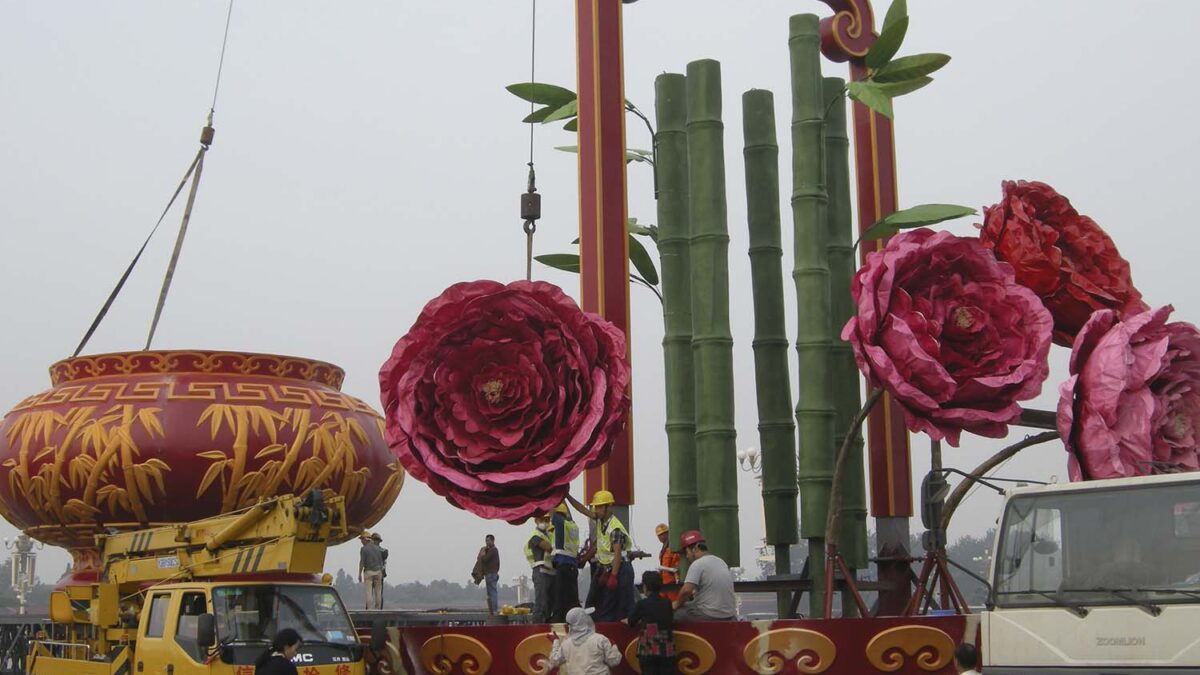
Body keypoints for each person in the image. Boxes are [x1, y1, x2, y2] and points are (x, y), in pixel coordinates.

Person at [569, 491, 642, 622]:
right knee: (595, 601)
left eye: (599, 507)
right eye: (595, 507)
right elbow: (582, 510)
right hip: (606, 568)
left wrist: (613, 576)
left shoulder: (615, 528)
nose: (596, 510)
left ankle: (616, 630)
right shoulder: (600, 521)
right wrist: (567, 496)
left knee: (621, 604)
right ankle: (600, 626)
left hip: (620, 568)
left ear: (608, 507)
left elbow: (618, 554)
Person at [671, 530, 736, 622]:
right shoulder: (721, 561)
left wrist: (677, 603)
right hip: (729, 614)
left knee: (672, 613)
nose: (687, 556)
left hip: (708, 614)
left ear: (695, 549)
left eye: (687, 552)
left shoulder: (697, 564)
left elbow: (686, 590)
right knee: (689, 605)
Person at [624, 571, 676, 675]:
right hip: (666, 648)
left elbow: (631, 622)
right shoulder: (667, 603)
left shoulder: (642, 604)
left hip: (648, 648)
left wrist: (626, 620)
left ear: (645, 587)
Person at [547, 607, 622, 675]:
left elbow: (555, 661)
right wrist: (613, 646)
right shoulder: (600, 639)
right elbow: (614, 661)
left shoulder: (566, 644)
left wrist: (555, 641)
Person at [551, 501, 582, 622]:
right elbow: (569, 515)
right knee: (572, 599)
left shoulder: (560, 522)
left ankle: (558, 622)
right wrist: (563, 497)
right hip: (573, 567)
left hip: (563, 566)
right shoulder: (572, 525)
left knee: (560, 599)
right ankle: (574, 621)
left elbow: (552, 510)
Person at [527, 513, 557, 623]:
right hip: (540, 572)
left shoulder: (549, 534)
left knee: (550, 603)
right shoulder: (536, 536)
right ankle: (536, 626)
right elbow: (548, 548)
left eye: (547, 519)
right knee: (541, 602)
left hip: (550, 572)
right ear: (536, 520)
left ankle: (546, 624)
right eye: (542, 519)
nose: (545, 522)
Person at [358, 531, 385, 610]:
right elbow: (381, 561)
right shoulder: (378, 548)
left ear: (366, 539)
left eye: (362, 539)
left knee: (368, 593)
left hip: (368, 572)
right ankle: (378, 609)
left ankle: (369, 609)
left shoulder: (363, 549)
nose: (361, 541)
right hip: (378, 572)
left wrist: (359, 574)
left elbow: (362, 562)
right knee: (378, 592)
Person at [654, 523, 680, 601]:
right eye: (659, 535)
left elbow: (679, 563)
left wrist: (675, 569)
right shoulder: (663, 550)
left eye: (663, 533)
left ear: (668, 533)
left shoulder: (674, 548)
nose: (661, 536)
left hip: (672, 583)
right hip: (663, 582)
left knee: (674, 604)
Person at [477, 534, 500, 615]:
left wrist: (482, 554)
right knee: (490, 593)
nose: (486, 542)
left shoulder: (493, 550)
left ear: (493, 541)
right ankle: (492, 610)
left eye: (488, 540)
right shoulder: (490, 550)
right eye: (486, 540)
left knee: (492, 592)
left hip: (491, 574)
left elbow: (485, 559)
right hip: (490, 574)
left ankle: (494, 610)